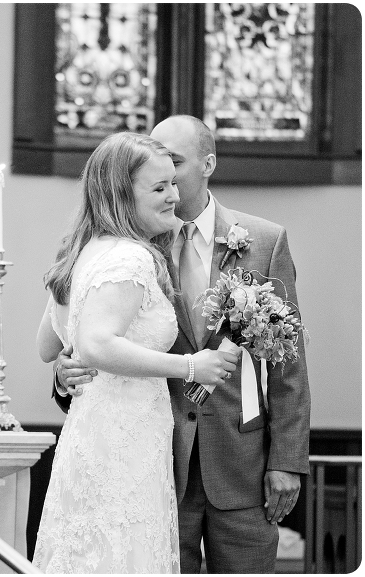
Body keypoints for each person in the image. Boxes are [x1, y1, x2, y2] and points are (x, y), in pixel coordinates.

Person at [54, 116, 311, 573]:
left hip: (241, 463)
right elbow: (90, 334)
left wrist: (287, 460)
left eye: (173, 162)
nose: (164, 176)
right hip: (158, 457)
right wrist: (62, 372)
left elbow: (288, 362)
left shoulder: (265, 241)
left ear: (208, 163)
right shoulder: (130, 245)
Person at [33, 131, 238, 574]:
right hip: (123, 444)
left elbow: (48, 345)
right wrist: (190, 365)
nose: (173, 196)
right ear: (122, 194)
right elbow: (95, 343)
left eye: (173, 183)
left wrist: (73, 361)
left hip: (96, 434)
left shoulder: (84, 251)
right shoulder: (130, 258)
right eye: (159, 187)